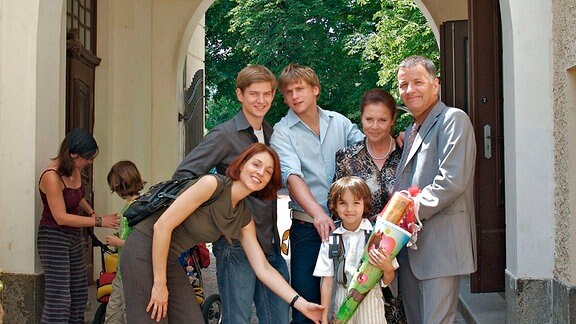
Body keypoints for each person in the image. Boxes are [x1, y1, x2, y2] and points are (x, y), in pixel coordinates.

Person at [120, 143, 324, 324]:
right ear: (242, 164)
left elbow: (263, 269)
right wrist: (159, 284)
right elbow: (162, 226)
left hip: (169, 258)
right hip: (142, 249)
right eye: (256, 164)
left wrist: (302, 304)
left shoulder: (243, 217)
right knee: (154, 316)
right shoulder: (212, 185)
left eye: (268, 171)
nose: (261, 172)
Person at [172, 64, 290, 324]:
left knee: (279, 318)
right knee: (237, 319)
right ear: (240, 95)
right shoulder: (224, 135)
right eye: (253, 94)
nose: (261, 100)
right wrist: (217, 220)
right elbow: (184, 177)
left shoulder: (273, 134)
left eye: (266, 94)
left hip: (269, 244)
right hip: (235, 244)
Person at [270, 63, 364, 323]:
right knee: (307, 309)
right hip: (309, 230)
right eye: (288, 92)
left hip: (349, 228)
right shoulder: (282, 131)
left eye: (299, 89)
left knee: (350, 303)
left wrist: (395, 138)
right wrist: (318, 214)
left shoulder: (340, 123)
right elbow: (292, 176)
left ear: (315, 90)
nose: (294, 96)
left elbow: (367, 147)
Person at [394, 55, 477, 323]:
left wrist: (402, 214)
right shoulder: (412, 128)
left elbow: (450, 182)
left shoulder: (453, 119)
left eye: (418, 82)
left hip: (440, 247)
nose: (410, 90)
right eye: (403, 84)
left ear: (436, 84)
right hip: (410, 248)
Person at [333, 88, 407, 323]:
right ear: (361, 118)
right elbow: (335, 203)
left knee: (398, 312)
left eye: (383, 120)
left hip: (401, 252)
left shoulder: (407, 154)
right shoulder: (346, 157)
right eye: (369, 119)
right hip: (358, 252)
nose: (375, 126)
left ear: (393, 120)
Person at [36, 128, 119, 324]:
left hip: (73, 236)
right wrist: (99, 221)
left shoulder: (74, 169)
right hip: (53, 237)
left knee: (80, 292)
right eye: (87, 158)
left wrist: (91, 212)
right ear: (73, 154)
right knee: (59, 297)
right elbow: (61, 217)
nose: (89, 162)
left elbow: (77, 195)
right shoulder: (51, 176)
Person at [314, 176, 397, 324]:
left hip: (371, 301)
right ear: (334, 206)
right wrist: (324, 317)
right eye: (343, 203)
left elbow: (388, 278)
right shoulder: (331, 237)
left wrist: (387, 268)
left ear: (365, 205)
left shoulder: (377, 235)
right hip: (341, 303)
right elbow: (326, 282)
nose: (349, 209)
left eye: (356, 203)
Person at [104, 160, 146, 324]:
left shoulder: (138, 207)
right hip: (121, 272)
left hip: (131, 273)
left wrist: (118, 241)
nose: (115, 191)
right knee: (113, 315)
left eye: (115, 187)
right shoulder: (129, 206)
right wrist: (119, 234)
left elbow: (141, 242)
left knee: (128, 314)